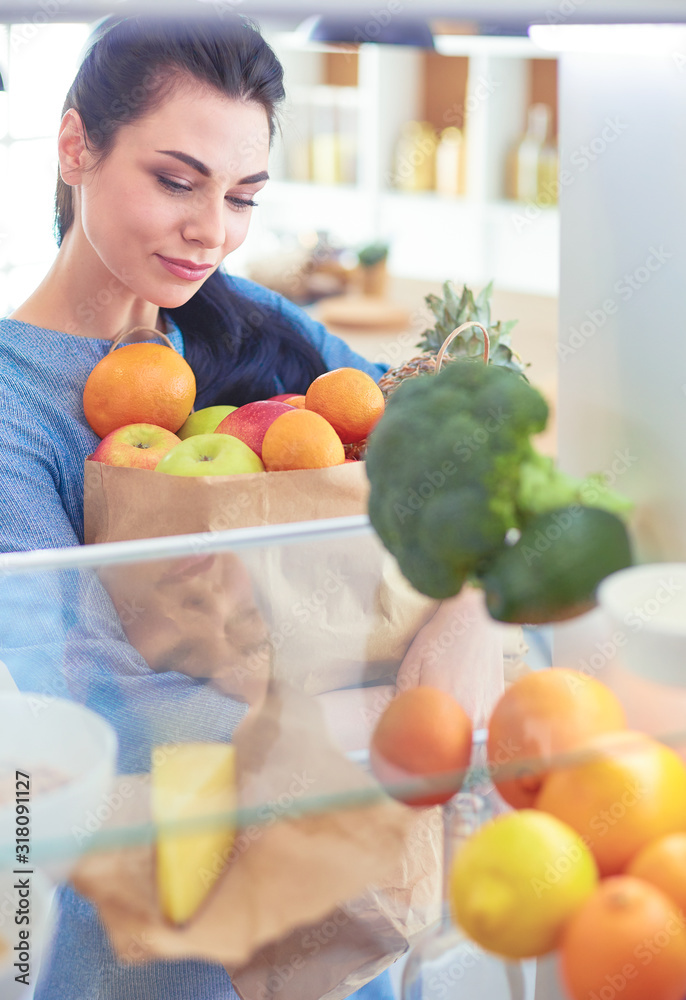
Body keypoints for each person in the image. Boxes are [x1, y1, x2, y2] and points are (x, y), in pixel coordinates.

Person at [0, 11, 505, 999]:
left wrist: (467, 607)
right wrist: (404, 714)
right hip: (164, 943)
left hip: (347, 912)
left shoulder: (245, 321)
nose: (212, 232)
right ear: (75, 146)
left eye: (243, 196)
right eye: (175, 180)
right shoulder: (15, 408)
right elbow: (98, 704)